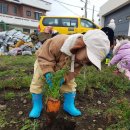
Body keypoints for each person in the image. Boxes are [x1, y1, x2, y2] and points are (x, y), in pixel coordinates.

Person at [29, 29, 110, 118]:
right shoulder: (59, 41)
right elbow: (45, 56)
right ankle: (37, 105)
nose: (85, 62)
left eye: (89, 62)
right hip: (44, 61)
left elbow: (74, 71)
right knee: (37, 81)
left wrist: (64, 78)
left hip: (64, 68)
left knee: (70, 84)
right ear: (81, 45)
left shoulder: (81, 60)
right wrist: (48, 72)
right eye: (87, 58)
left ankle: (68, 105)